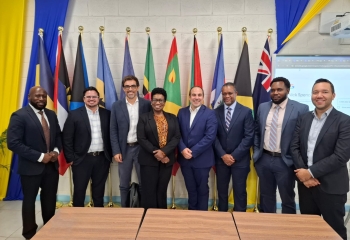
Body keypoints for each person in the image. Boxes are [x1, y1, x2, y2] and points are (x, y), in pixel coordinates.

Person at [290, 79, 350, 239]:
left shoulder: (345, 121)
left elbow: (341, 156)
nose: (319, 95)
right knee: (308, 230)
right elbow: (294, 147)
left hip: (331, 186)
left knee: (334, 231)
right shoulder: (303, 118)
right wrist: (304, 176)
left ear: (333, 95)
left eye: (324, 92)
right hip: (306, 187)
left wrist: (309, 172)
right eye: (315, 92)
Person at [7, 86, 62, 239]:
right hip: (30, 168)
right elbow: (13, 143)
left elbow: (58, 136)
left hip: (51, 166)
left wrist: (56, 152)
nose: (41, 99)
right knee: (29, 201)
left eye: (44, 96)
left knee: (50, 200)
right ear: (29, 97)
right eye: (37, 96)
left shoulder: (51, 115)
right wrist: (39, 156)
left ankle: (49, 228)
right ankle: (30, 233)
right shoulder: (19, 116)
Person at [253, 77, 309, 214]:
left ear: (288, 90)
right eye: (273, 90)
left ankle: (287, 229)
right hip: (264, 159)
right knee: (266, 196)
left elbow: (303, 137)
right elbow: (257, 132)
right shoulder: (262, 107)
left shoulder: (301, 108)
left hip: (285, 161)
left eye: (279, 89)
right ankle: (268, 227)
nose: (275, 93)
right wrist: (256, 152)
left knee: (287, 197)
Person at [62, 86, 112, 207]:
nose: (91, 99)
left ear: (99, 99)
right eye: (88, 97)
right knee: (79, 190)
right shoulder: (74, 115)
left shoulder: (107, 114)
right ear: (84, 99)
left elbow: (111, 135)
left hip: (102, 159)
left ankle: (97, 216)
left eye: (94, 97)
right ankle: (78, 218)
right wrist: (71, 158)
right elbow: (67, 138)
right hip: (81, 159)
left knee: (99, 191)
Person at [110, 75, 152, 207]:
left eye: (133, 86)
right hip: (124, 149)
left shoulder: (146, 104)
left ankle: (143, 209)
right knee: (123, 183)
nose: (130, 89)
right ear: (123, 89)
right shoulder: (117, 106)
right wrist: (116, 151)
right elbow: (113, 130)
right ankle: (124, 210)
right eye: (127, 86)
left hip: (142, 149)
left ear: (138, 87)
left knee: (144, 182)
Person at [137, 88, 181, 209]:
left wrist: (164, 152)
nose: (158, 102)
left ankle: (161, 217)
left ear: (164, 102)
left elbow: (177, 137)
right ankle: (147, 218)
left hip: (167, 160)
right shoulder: (144, 118)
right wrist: (157, 153)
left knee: (161, 190)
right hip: (148, 160)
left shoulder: (172, 117)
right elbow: (141, 138)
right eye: (155, 100)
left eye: (161, 100)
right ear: (151, 102)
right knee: (149, 191)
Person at [214, 83, 254, 212]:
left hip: (240, 160)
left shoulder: (246, 111)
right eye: (224, 93)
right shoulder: (215, 112)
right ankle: (222, 217)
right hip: (221, 160)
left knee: (240, 191)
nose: (227, 96)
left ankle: (240, 218)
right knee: (222, 191)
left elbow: (249, 137)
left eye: (230, 93)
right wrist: (223, 155)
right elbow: (213, 137)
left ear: (236, 93)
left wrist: (233, 156)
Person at [177, 86, 217, 211]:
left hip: (202, 159)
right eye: (194, 95)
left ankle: (202, 215)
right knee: (191, 189)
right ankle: (191, 214)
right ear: (189, 97)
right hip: (185, 159)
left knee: (202, 189)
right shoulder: (181, 112)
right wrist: (183, 149)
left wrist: (193, 152)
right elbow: (176, 134)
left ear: (203, 97)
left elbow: (210, 137)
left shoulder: (210, 113)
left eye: (199, 95)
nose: (196, 98)